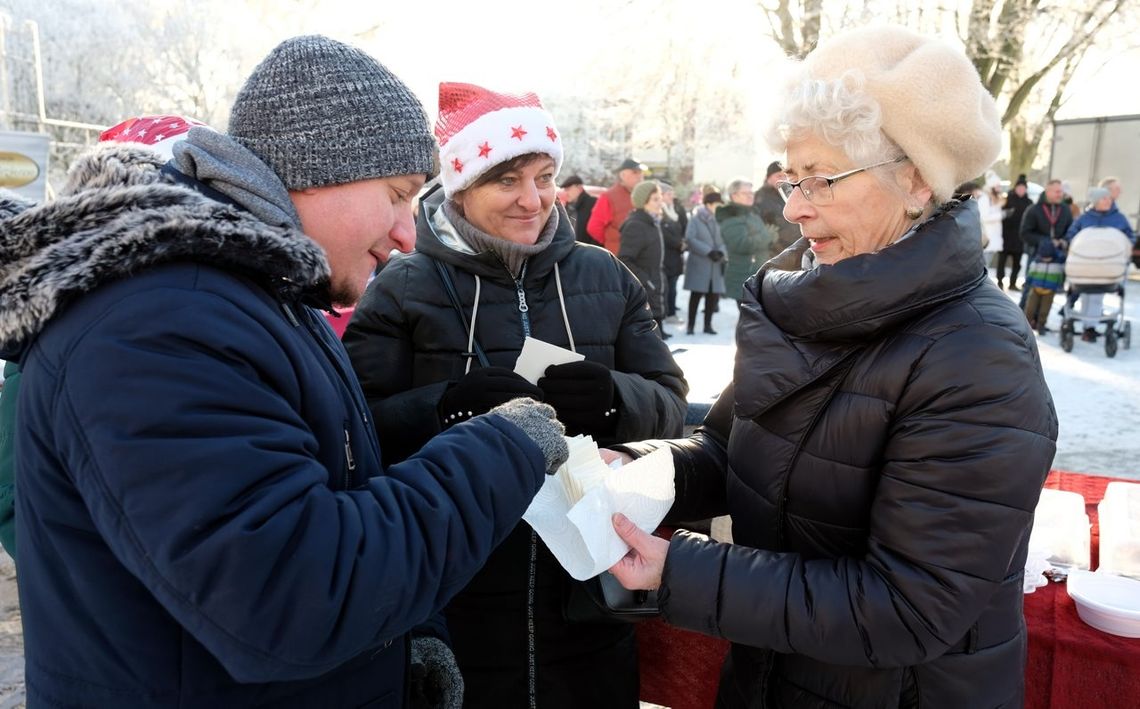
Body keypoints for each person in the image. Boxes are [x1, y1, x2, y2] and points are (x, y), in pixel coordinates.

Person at [0, 37, 572, 708]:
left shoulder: (255, 294)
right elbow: (297, 594)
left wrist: (406, 634)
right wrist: (501, 449)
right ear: (315, 168)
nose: (406, 232)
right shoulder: (157, 321)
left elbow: (330, 484)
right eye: (395, 194)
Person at [604, 26, 1057, 709]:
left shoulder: (979, 355)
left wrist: (684, 571)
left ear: (914, 180)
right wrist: (640, 468)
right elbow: (732, 450)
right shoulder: (808, 302)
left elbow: (911, 605)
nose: (793, 207)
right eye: (791, 178)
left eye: (822, 178)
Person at [342, 82, 688, 709]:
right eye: (507, 181)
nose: (533, 201)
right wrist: (445, 407)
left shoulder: (605, 274)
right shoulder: (402, 286)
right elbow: (355, 428)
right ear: (461, 187)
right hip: (456, 592)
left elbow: (669, 399)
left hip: (589, 596)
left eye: (545, 176)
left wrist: (614, 398)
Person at [1063, 185, 1135, 341]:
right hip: (1085, 264)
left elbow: (1130, 237)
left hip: (1108, 265)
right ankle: (1089, 325)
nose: (1108, 201)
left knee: (1096, 296)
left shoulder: (1119, 218)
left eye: (1109, 198)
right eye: (1104, 198)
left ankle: (1090, 326)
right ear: (1095, 201)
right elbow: (1072, 236)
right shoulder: (1084, 218)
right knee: (1088, 295)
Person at [620, 180, 670, 338]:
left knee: (658, 334)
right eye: (655, 199)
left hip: (656, 286)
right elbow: (624, 259)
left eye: (660, 197)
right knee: (651, 338)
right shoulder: (637, 225)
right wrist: (647, 282)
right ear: (643, 202)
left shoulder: (653, 222)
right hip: (646, 291)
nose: (660, 202)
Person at [718, 178, 775, 301]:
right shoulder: (731, 217)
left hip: (756, 274)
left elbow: (762, 240)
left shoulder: (751, 214)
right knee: (750, 317)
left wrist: (771, 239)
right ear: (734, 196)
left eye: (751, 193)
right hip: (742, 276)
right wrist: (767, 236)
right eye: (745, 193)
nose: (750, 196)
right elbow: (741, 244)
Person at [1020, 179, 1073, 310]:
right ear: (1048, 192)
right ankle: (1023, 318)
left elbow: (1071, 231)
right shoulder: (1033, 209)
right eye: (1057, 191)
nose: (1060, 194)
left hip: (1057, 257)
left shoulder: (1066, 210)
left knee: (1049, 291)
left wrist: (1063, 241)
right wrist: (1045, 242)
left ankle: (1040, 322)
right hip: (1037, 256)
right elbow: (1025, 233)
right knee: (1031, 288)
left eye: (1061, 191)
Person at [682, 191, 727, 335]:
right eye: (717, 205)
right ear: (708, 204)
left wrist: (721, 251)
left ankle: (708, 325)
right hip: (700, 263)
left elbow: (727, 238)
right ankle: (690, 325)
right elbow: (690, 238)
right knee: (696, 295)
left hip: (716, 264)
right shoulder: (695, 219)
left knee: (712, 296)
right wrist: (708, 251)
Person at [587, 157, 645, 255]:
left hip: (641, 257)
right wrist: (611, 242)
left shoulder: (642, 196)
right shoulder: (609, 196)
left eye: (641, 172)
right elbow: (593, 227)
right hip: (620, 257)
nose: (640, 176)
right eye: (635, 172)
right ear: (623, 175)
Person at [754, 160, 800, 253]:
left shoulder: (790, 193)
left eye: (785, 176)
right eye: (778, 176)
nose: (783, 179)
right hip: (775, 251)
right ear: (768, 178)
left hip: (795, 247)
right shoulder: (759, 198)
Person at [997, 174, 1033, 290]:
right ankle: (1000, 281)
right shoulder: (1007, 199)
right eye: (1019, 188)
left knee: (1017, 264)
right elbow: (999, 213)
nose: (1021, 190)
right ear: (1015, 188)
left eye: (1023, 188)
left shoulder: (1029, 202)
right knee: (1002, 261)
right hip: (1006, 236)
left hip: (1019, 238)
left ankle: (1013, 283)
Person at [659, 182, 687, 323]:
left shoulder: (673, 211)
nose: (672, 197)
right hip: (667, 257)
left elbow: (680, 229)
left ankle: (671, 310)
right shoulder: (661, 213)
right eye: (669, 194)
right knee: (668, 288)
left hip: (675, 256)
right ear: (661, 196)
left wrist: (683, 242)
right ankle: (668, 314)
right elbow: (664, 234)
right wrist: (679, 244)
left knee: (673, 287)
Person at [560, 174, 599, 246]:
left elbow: (598, 231)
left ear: (579, 188)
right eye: (565, 190)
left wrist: (590, 250)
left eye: (568, 189)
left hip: (587, 252)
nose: (566, 193)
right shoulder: (568, 207)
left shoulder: (593, 203)